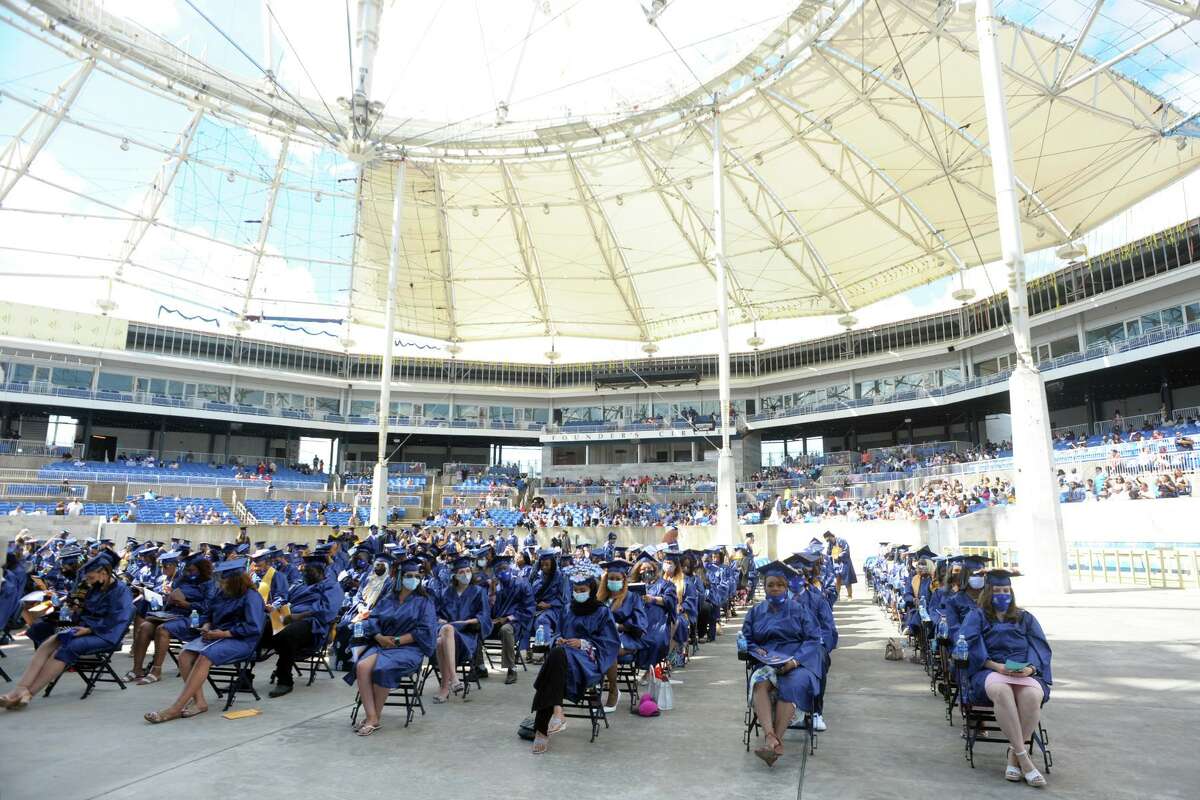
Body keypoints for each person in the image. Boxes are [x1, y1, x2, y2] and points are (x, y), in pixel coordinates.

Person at [1, 551, 133, 710]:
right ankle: (19, 690)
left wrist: (88, 630)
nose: (89, 582)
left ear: (104, 573)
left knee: (67, 647)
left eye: (91, 578)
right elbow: (78, 607)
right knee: (51, 640)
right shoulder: (93, 586)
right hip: (85, 627)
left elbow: (116, 621)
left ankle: (29, 693)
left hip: (105, 634)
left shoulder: (121, 590)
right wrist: (75, 605)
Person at [959, 569, 1052, 787]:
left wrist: (1030, 668)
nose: (1003, 594)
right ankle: (1025, 760)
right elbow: (969, 644)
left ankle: (1013, 755)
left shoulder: (1024, 618)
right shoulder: (977, 616)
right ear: (988, 592)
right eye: (998, 590)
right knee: (1002, 691)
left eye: (1006, 590)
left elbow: (1039, 647)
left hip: (1023, 670)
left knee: (1031, 695)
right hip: (990, 670)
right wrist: (995, 666)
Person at [144, 558, 265, 723]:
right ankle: (200, 702)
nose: (220, 585)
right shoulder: (223, 593)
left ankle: (176, 708)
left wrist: (223, 634)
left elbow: (253, 628)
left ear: (235, 581)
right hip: (216, 635)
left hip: (240, 640)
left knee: (204, 656)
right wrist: (207, 626)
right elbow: (209, 613)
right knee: (185, 655)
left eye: (224, 581)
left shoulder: (252, 597)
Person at [741, 560, 824, 768]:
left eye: (779, 584)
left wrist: (795, 661)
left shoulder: (799, 610)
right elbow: (748, 639)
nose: (775, 588)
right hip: (768, 661)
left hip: (798, 661)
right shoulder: (756, 612)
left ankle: (775, 740)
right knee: (760, 681)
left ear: (786, 587)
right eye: (770, 584)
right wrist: (752, 648)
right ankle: (770, 737)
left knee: (793, 685)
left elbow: (813, 639)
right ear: (765, 587)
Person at [528, 568, 619, 754]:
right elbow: (558, 632)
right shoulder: (568, 608)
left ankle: (544, 727)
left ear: (592, 589)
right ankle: (556, 712)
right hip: (563, 658)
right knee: (558, 654)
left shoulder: (602, 612)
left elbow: (609, 643)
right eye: (576, 590)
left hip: (587, 660)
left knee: (555, 659)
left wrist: (583, 643)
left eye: (583, 589)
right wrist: (558, 639)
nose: (579, 593)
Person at [345, 556, 438, 736]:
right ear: (400, 577)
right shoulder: (388, 599)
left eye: (416, 576)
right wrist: (379, 637)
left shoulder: (424, 602)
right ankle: (371, 716)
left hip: (409, 648)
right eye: (409, 576)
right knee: (362, 667)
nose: (414, 580)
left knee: (382, 668)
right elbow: (373, 619)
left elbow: (425, 630)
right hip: (382, 643)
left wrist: (395, 641)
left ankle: (373, 718)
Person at [129, 552, 214, 685]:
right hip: (175, 613)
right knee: (145, 626)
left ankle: (156, 671)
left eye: (191, 570)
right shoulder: (181, 580)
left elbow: (208, 606)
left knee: (162, 629)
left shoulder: (209, 583)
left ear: (200, 569)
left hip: (195, 617)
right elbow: (171, 596)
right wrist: (170, 599)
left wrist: (188, 604)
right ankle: (137, 669)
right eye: (187, 570)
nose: (188, 573)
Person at [265, 554, 340, 698]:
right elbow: (285, 599)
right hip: (287, 618)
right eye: (304, 571)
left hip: (313, 626)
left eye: (309, 571)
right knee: (261, 628)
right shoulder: (300, 585)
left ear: (320, 572)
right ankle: (246, 675)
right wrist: (275, 609)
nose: (305, 574)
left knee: (288, 634)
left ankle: (285, 681)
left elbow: (328, 612)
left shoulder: (331, 586)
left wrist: (299, 616)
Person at [432, 554, 492, 702]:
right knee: (443, 635)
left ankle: (446, 686)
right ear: (455, 575)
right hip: (446, 634)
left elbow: (484, 616)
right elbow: (435, 615)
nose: (465, 574)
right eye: (461, 572)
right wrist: (440, 620)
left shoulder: (479, 591)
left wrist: (468, 622)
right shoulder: (446, 592)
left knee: (445, 633)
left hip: (466, 638)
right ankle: (453, 679)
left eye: (467, 571)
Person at [597, 558, 644, 713]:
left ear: (624, 580)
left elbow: (640, 623)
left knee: (610, 647)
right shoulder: (601, 598)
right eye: (611, 578)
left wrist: (620, 626)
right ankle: (592, 688)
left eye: (618, 579)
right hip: (603, 638)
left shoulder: (632, 597)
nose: (614, 581)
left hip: (626, 637)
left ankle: (613, 691)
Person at [489, 553, 534, 684]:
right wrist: (491, 594)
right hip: (495, 621)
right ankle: (479, 666)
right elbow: (488, 610)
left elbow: (529, 609)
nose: (503, 572)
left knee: (505, 630)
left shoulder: (522, 584)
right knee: (476, 628)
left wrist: (508, 618)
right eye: (499, 570)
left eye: (504, 568)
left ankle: (511, 669)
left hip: (516, 623)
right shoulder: (495, 587)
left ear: (510, 568)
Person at [630, 549, 675, 677]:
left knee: (655, 640)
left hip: (656, 621)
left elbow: (670, 601)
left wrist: (653, 599)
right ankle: (642, 667)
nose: (645, 572)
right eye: (642, 569)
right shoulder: (633, 585)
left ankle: (648, 670)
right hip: (637, 620)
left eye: (648, 568)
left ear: (654, 569)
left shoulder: (664, 584)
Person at [529, 548, 568, 659]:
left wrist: (549, 605)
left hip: (553, 608)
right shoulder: (536, 575)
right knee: (525, 620)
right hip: (537, 607)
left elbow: (563, 598)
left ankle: (547, 649)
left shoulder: (559, 576)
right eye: (542, 565)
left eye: (547, 564)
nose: (544, 567)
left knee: (542, 621)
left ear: (552, 564)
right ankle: (523, 651)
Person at [822, 530, 857, 599]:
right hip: (836, 564)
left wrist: (839, 555)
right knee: (837, 580)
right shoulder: (830, 544)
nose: (829, 541)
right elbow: (828, 553)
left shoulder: (842, 541)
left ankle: (850, 595)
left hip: (845, 563)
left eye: (829, 539)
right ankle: (837, 595)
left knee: (847, 580)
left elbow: (846, 551)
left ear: (832, 536)